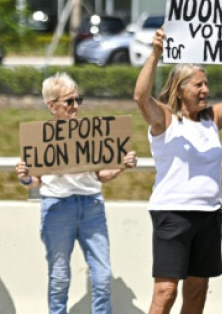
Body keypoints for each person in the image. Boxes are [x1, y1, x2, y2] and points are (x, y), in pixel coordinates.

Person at [133, 27, 222, 314]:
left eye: (206, 84)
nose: (205, 90)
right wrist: (155, 55)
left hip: (209, 215)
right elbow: (140, 97)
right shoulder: (164, 119)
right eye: (198, 85)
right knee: (166, 292)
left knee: (196, 292)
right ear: (180, 88)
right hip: (172, 214)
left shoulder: (212, 118)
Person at [14, 72, 138, 314]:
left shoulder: (90, 133)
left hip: (92, 206)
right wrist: (25, 176)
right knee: (59, 278)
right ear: (52, 106)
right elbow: (35, 182)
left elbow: (102, 175)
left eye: (77, 100)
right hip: (57, 208)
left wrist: (122, 164)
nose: (75, 106)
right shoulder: (39, 138)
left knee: (102, 278)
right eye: (69, 101)